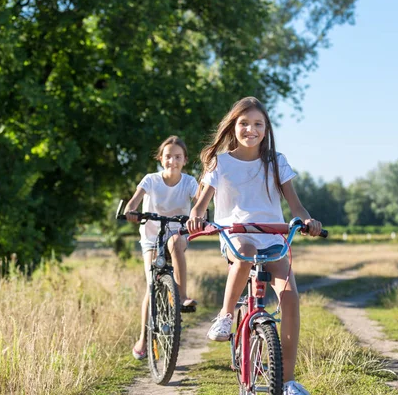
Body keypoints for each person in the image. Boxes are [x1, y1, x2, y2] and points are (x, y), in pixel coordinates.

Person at [187, 96, 322, 395]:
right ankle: (224, 316)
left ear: (267, 128)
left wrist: (309, 221)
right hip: (236, 235)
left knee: (289, 297)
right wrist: (196, 217)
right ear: (233, 126)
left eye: (258, 124)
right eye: (244, 123)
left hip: (273, 236)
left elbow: (296, 206)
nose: (251, 129)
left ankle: (287, 381)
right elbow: (201, 205)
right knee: (245, 252)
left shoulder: (276, 161)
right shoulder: (220, 162)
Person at [124, 135, 198, 360]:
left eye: (177, 157)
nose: (172, 161)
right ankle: (143, 338)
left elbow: (200, 201)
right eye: (168, 157)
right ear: (160, 158)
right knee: (150, 284)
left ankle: (182, 294)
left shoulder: (189, 182)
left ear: (185, 160)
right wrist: (130, 211)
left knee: (175, 242)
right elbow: (133, 201)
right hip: (151, 236)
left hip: (177, 232)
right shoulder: (151, 180)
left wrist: (200, 217)